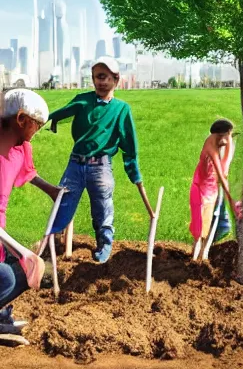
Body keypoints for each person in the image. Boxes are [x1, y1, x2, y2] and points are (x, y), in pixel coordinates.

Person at [47, 56, 154, 264]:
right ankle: (51, 247)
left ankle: (104, 244)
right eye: (97, 77)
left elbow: (129, 146)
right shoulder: (83, 100)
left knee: (103, 207)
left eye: (105, 77)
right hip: (75, 165)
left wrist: (135, 174)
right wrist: (44, 118)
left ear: (116, 79)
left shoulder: (122, 109)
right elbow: (60, 113)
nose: (100, 82)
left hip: (100, 167)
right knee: (62, 201)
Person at [0, 89, 62, 327]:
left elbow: (28, 172)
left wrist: (51, 190)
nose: (36, 131)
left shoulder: (22, 147)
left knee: (25, 271)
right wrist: (23, 252)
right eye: (36, 125)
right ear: (21, 119)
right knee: (7, 275)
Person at [189, 119, 242, 258]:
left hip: (212, 189)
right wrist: (231, 201)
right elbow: (220, 172)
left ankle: (203, 254)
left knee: (210, 222)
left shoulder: (221, 140)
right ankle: (196, 257)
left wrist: (229, 141)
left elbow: (225, 166)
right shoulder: (211, 145)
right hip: (201, 189)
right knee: (200, 227)